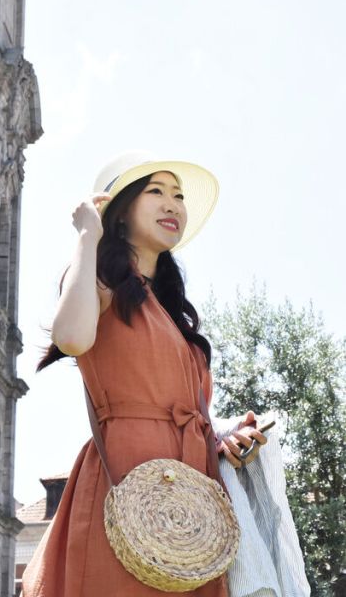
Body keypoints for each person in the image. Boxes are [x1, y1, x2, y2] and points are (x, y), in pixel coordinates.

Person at [21, 150, 268, 597]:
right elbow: (72, 337)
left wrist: (221, 437)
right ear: (119, 211)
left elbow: (190, 409)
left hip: (194, 496)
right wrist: (87, 236)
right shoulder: (100, 280)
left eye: (179, 195)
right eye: (156, 191)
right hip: (127, 476)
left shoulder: (174, 312)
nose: (173, 204)